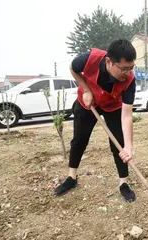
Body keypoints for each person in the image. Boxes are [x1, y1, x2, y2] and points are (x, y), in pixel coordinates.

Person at [54, 39, 137, 203]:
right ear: (109, 62)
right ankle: (72, 177)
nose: (127, 73)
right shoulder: (88, 59)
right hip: (88, 102)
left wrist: (128, 147)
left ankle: (123, 183)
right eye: (124, 68)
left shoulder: (129, 80)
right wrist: (86, 89)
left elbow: (127, 114)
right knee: (79, 140)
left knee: (118, 143)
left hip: (113, 106)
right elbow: (73, 68)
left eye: (131, 68)